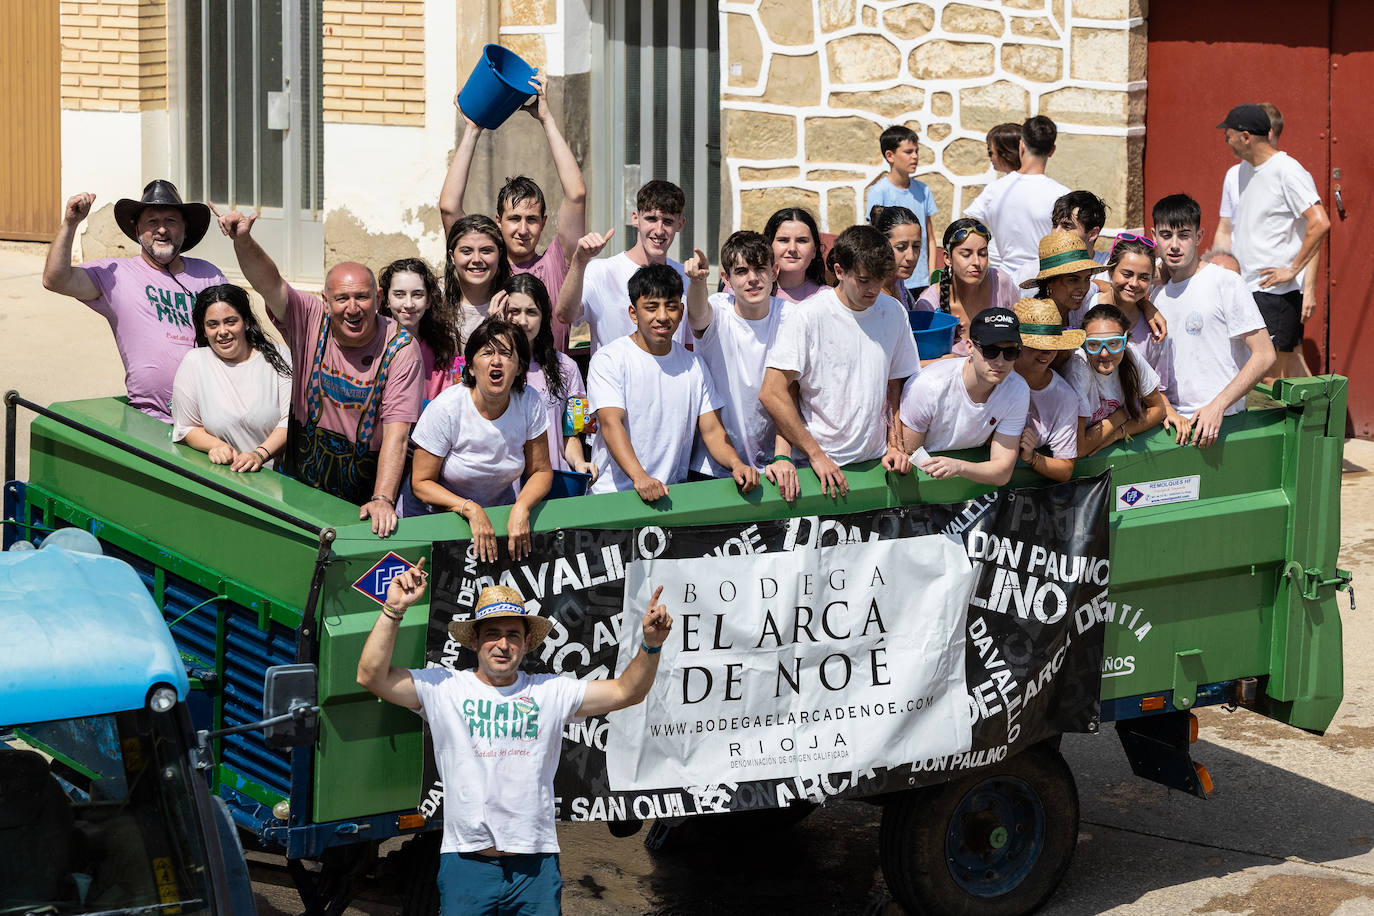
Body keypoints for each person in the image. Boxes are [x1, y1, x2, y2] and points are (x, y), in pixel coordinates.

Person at [356, 561, 674, 915]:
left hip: (534, 868)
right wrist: (393, 610)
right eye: (492, 633)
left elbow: (626, 692)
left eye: (513, 635)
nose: (502, 644)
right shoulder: (444, 688)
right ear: (474, 640)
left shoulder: (550, 691)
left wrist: (651, 645)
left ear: (526, 645)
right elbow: (371, 675)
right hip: (466, 864)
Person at [213, 208, 422, 537]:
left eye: (361, 297)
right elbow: (268, 282)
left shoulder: (401, 349)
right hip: (298, 487)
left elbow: (396, 433)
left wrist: (382, 498)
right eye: (341, 298)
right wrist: (243, 240)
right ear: (325, 301)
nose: (352, 308)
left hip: (362, 504)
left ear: (378, 298)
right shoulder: (308, 317)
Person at [41, 180, 226, 422]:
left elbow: (241, 334)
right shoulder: (115, 273)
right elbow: (56, 280)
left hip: (214, 417)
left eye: (170, 220)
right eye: (152, 222)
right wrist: (71, 223)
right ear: (138, 230)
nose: (162, 229)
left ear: (184, 228)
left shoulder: (209, 275)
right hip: (151, 419)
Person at [760, 225, 921, 497]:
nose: (873, 289)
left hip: (876, 464)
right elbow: (772, 392)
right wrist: (815, 455)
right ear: (839, 272)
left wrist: (896, 444)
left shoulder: (894, 311)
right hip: (816, 472)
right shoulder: (808, 316)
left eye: (879, 278)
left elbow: (895, 383)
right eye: (863, 279)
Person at [585, 264, 758, 501]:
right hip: (613, 497)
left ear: (682, 311)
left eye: (671, 306)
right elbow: (610, 423)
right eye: (651, 307)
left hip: (671, 498)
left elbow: (713, 431)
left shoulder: (694, 365)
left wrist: (736, 464)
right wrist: (640, 477)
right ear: (633, 313)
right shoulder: (609, 359)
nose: (663, 316)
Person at [440, 74, 586, 351]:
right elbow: (449, 208)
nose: (522, 229)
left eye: (531, 220)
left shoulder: (558, 262)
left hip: (548, 386)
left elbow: (576, 194)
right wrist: (472, 130)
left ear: (544, 223)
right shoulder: (485, 266)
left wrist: (547, 119)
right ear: (498, 221)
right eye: (514, 219)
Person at [405, 318, 552, 562]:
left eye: (506, 354)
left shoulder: (529, 402)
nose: (496, 361)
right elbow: (421, 482)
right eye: (486, 353)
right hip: (433, 517)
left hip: (498, 517)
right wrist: (469, 508)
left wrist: (522, 507)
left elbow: (541, 471)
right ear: (471, 367)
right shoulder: (447, 408)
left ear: (518, 367)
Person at [1150, 194, 1276, 448]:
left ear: (1198, 237)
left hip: (1220, 425)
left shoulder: (1225, 282)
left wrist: (1217, 405)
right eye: (1166, 235)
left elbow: (1265, 354)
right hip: (1168, 424)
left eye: (1184, 235)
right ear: (1154, 236)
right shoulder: (1154, 292)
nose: (1174, 245)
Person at [1216, 103, 1330, 380]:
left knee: (1270, 376)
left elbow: (1319, 222)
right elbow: (1226, 228)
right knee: (1265, 371)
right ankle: (1316, 421)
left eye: (1228, 134)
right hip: (1244, 287)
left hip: (1276, 293)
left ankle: (1307, 422)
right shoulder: (1237, 173)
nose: (1225, 140)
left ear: (1246, 137)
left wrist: (1294, 271)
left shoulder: (1287, 171)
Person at [683, 231, 798, 501]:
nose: (753, 278)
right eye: (742, 271)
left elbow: (791, 392)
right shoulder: (717, 308)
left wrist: (783, 456)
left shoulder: (791, 317)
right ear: (726, 279)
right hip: (711, 467)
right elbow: (698, 317)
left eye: (760, 268)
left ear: (775, 272)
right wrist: (698, 282)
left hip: (775, 468)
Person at [555, 180, 694, 356]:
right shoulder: (601, 271)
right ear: (635, 218)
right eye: (651, 218)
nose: (659, 230)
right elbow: (565, 315)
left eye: (667, 221)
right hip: (614, 381)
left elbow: (689, 346)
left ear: (680, 224)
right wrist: (579, 261)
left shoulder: (686, 277)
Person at [898, 308, 1029, 486]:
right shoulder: (928, 386)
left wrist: (959, 467)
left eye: (1010, 353)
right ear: (969, 347)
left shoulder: (1018, 389)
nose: (1000, 361)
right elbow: (911, 454)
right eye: (990, 350)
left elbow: (1002, 473)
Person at [171, 284, 292, 472]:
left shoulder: (279, 357)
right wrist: (216, 445)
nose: (222, 331)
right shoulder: (194, 362)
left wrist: (259, 454)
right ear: (203, 330)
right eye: (213, 324)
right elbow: (185, 428)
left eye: (230, 321)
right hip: (224, 481)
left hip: (277, 484)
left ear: (246, 322)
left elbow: (289, 421)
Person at [498, 273, 597, 479]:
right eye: (514, 311)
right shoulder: (490, 365)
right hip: (505, 488)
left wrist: (579, 462)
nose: (522, 321)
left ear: (544, 316)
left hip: (553, 483)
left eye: (531, 312)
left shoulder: (566, 368)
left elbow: (571, 434)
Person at [963, 115, 1071, 286]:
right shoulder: (1064, 195)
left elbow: (965, 226)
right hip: (1045, 283)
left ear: (1022, 145)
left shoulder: (994, 190)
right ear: (1052, 150)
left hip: (1003, 281)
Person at [1061, 304, 1168, 456]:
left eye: (1114, 343)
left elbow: (1159, 409)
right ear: (1084, 344)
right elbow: (1079, 449)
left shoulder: (1130, 354)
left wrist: (1119, 432)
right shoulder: (1079, 368)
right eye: (1094, 345)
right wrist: (1118, 417)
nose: (1104, 353)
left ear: (1125, 341)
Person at [914, 219, 1021, 354]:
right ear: (947, 259)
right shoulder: (928, 305)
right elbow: (917, 364)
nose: (976, 262)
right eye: (966, 254)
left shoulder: (1001, 282)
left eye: (982, 253)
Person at [1012, 298, 1082, 483]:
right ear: (1017, 344)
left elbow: (1065, 469)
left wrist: (1031, 457)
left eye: (1053, 345)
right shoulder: (992, 374)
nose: (1047, 353)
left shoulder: (1065, 397)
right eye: (1038, 345)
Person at [1091, 237, 1173, 390]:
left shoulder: (1154, 331)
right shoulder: (1087, 306)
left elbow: (1158, 394)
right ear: (1110, 271)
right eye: (1127, 274)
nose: (1134, 283)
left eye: (1143, 277)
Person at [864, 126, 937, 295]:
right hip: (892, 281)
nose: (915, 157)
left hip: (921, 280)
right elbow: (875, 237)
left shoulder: (923, 190)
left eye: (917, 151)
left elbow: (930, 238)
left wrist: (932, 278)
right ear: (890, 155)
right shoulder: (878, 191)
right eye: (908, 152)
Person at [379, 258, 460, 403]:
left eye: (417, 294)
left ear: (428, 300)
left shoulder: (442, 350)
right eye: (399, 294)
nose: (409, 304)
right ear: (386, 299)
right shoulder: (374, 346)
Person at [445, 215, 513, 347]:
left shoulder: (514, 304)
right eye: (466, 251)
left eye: (486, 251)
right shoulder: (434, 302)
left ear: (499, 254)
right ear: (452, 256)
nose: (476, 259)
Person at [1020, 230, 1106, 334]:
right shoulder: (1035, 320)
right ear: (1050, 282)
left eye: (1087, 278)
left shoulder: (1077, 300)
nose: (1083, 288)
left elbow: (1097, 285)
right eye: (1073, 280)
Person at [970, 122, 1022, 268]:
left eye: (990, 151)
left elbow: (970, 223)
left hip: (1003, 268)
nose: (988, 155)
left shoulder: (995, 189)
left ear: (1006, 153)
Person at [763, 207, 827, 303]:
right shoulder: (746, 296)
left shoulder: (829, 300)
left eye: (802, 240)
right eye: (783, 240)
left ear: (814, 250)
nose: (792, 248)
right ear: (768, 246)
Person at [873, 206, 923, 310]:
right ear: (881, 245)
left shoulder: (898, 283)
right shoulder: (869, 296)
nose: (911, 256)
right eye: (901, 247)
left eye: (916, 246)